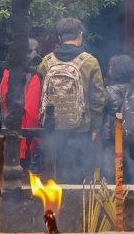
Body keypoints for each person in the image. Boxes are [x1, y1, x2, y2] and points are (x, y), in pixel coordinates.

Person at [38, 18, 105, 183]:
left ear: (59, 37)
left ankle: (57, 206)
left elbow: (43, 93)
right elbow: (97, 99)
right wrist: (95, 127)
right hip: (81, 127)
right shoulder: (90, 62)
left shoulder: (46, 62)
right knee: (79, 171)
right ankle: (78, 206)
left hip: (53, 127)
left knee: (56, 171)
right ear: (80, 35)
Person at [100, 54, 134, 184]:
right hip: (133, 138)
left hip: (111, 138)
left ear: (115, 71)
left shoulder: (108, 91)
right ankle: (130, 203)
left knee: (110, 177)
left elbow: (100, 112)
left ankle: (111, 204)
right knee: (131, 179)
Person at [0, 38, 43, 172]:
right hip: (23, 141)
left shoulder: (6, 74)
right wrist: (34, 140)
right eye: (29, 51)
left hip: (6, 135)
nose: (33, 55)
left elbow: (3, 103)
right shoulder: (33, 79)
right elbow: (31, 114)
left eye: (37, 51)